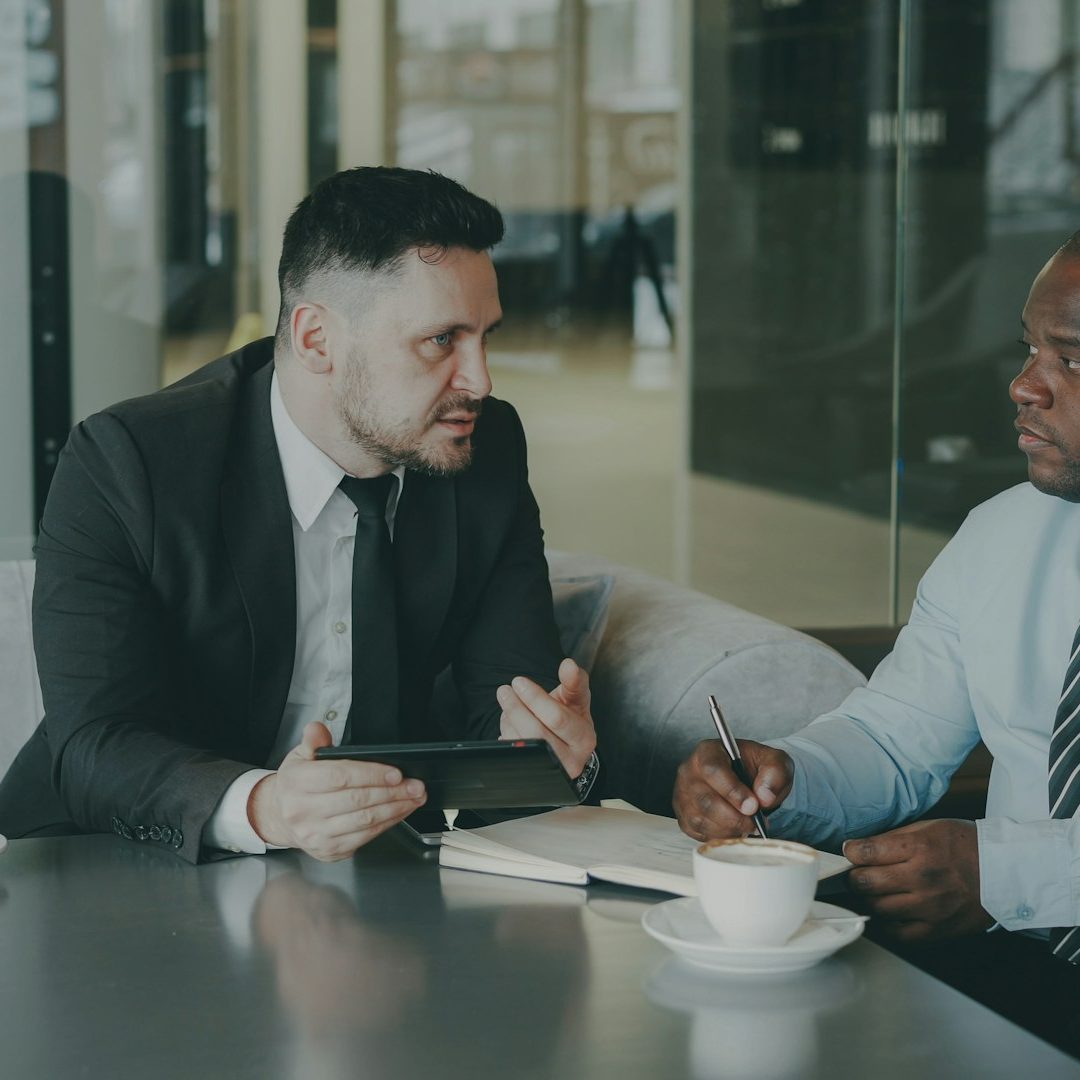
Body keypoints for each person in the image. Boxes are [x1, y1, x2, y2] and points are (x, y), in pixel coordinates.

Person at [0, 167, 598, 863]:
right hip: (116, 866)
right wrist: (265, 809)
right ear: (317, 340)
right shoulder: (128, 463)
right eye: (441, 340)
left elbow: (503, 719)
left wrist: (551, 756)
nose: (480, 380)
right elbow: (94, 744)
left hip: (374, 876)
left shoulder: (484, 450)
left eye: (485, 337)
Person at [673, 235, 1080, 1058]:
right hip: (1025, 973)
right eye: (1029, 349)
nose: (1025, 385)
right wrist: (782, 778)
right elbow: (895, 740)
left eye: (1071, 358)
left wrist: (1006, 875)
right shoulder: (1001, 537)